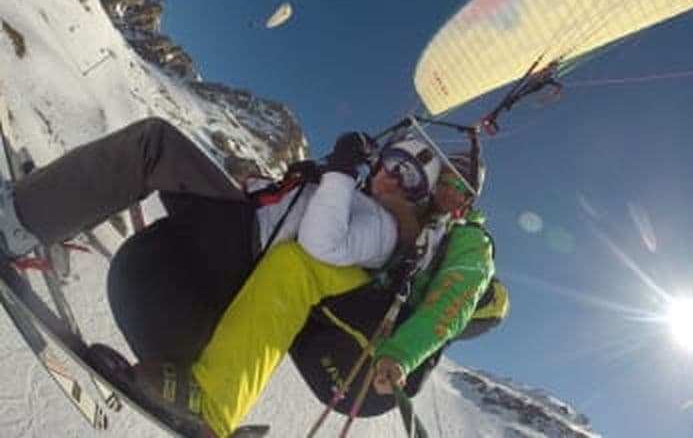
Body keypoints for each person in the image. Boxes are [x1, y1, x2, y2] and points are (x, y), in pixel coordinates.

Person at [0, 117, 442, 435]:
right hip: (238, 247)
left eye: (411, 179)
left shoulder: (384, 229)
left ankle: (17, 220)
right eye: (394, 163)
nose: (393, 179)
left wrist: (341, 173)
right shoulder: (351, 199)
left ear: (419, 199)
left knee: (154, 145)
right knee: (160, 168)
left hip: (243, 251)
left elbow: (319, 244)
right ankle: (48, 211)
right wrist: (311, 180)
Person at [289, 151, 504, 421]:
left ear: (470, 198)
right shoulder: (417, 215)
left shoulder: (471, 242)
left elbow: (452, 301)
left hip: (374, 369)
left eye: (460, 187)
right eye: (444, 182)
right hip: (333, 337)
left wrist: (400, 356)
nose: (449, 191)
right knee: (283, 300)